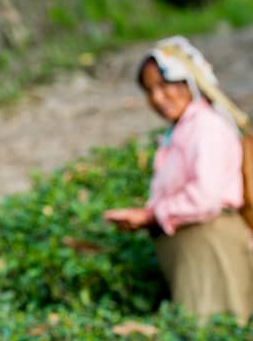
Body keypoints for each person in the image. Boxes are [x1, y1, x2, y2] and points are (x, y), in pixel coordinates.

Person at [104, 35, 253, 323]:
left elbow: (206, 197)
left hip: (212, 249)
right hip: (196, 254)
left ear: (190, 81)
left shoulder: (206, 127)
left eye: (164, 85)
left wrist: (149, 216)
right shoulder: (182, 130)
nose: (157, 98)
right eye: (149, 90)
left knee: (214, 332)